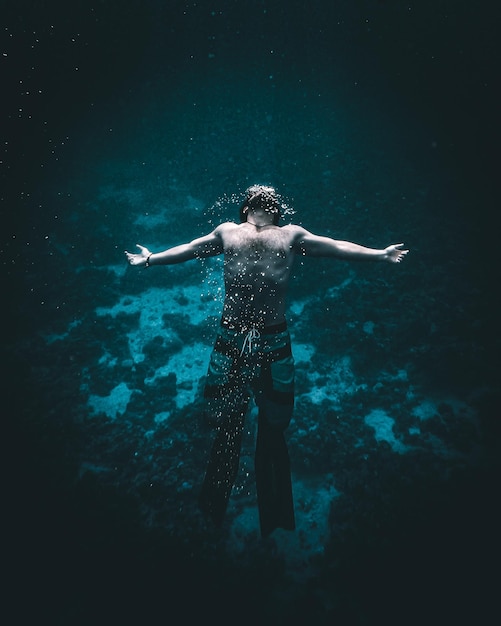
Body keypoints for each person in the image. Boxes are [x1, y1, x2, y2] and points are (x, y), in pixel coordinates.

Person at [125, 185, 408, 537]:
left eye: (269, 195)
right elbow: (190, 249)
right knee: (222, 417)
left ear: (277, 210)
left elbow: (337, 247)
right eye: (257, 194)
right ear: (246, 209)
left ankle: (272, 513)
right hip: (231, 336)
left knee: (274, 422)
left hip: (273, 337)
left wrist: (380, 254)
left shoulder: (292, 235)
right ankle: (214, 502)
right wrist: (151, 259)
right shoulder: (227, 231)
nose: (263, 194)